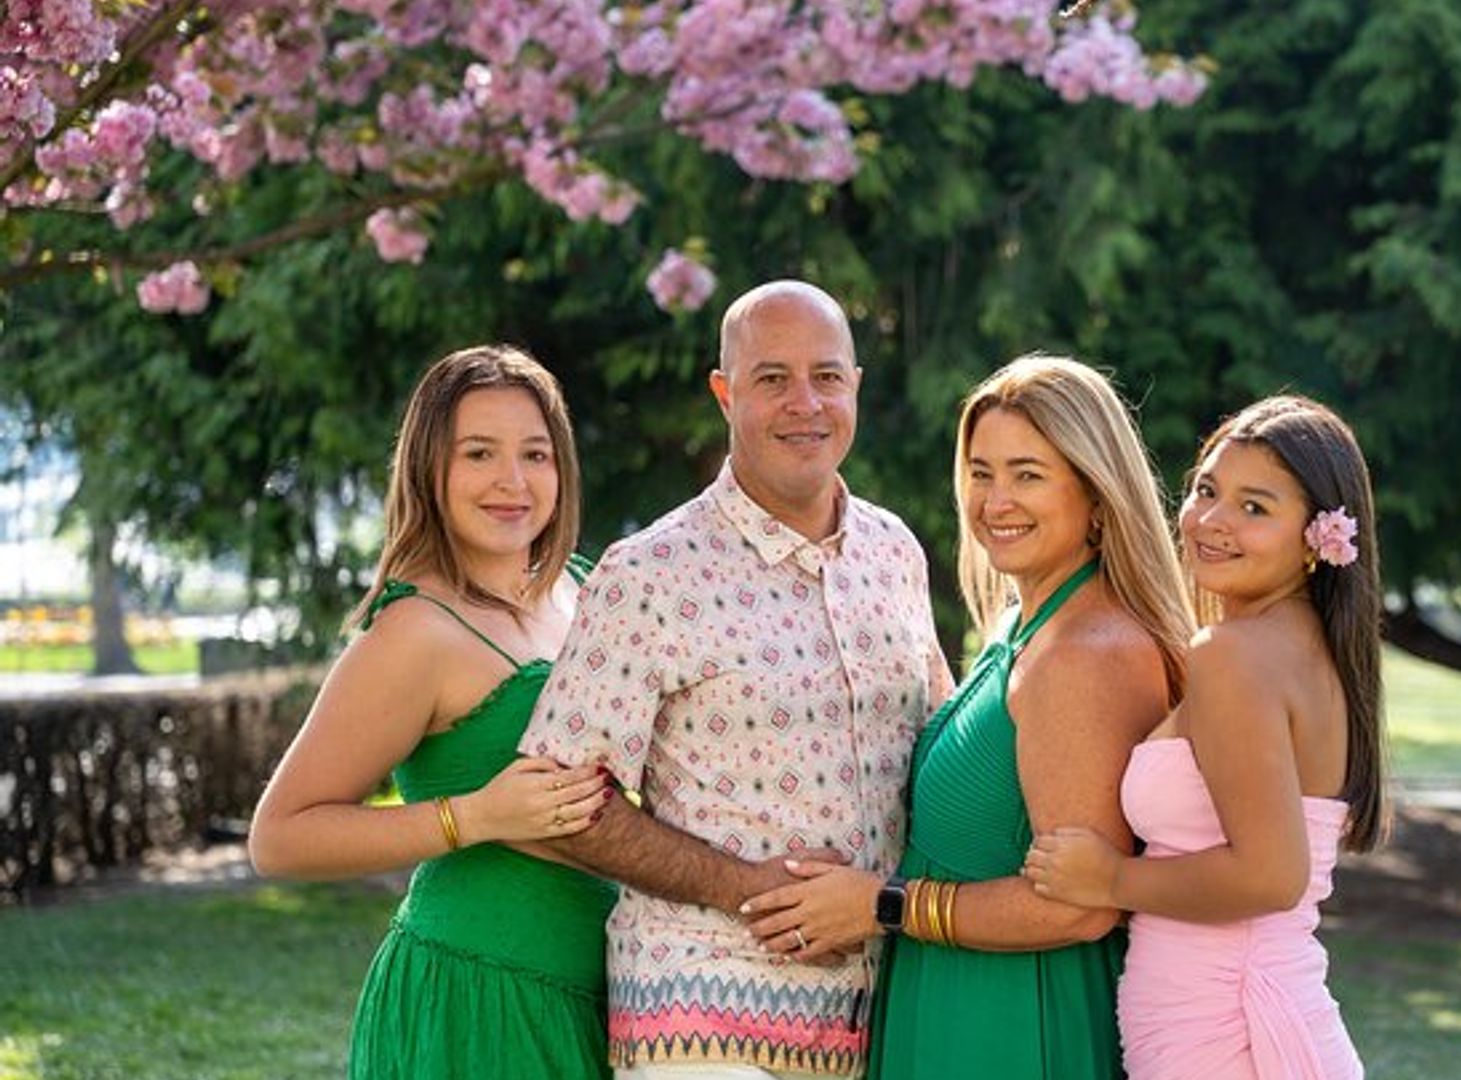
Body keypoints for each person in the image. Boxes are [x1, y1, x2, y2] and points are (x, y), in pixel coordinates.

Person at [516, 280, 952, 1079]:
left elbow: (936, 753)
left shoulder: (896, 552)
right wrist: (746, 887)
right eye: (772, 378)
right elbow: (561, 801)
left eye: (826, 376)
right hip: (705, 1019)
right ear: (725, 393)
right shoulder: (650, 572)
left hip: (882, 1015)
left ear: (856, 384)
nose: (805, 403)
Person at [737, 354, 1195, 1080]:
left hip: (1014, 1020)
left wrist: (882, 907)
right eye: (982, 473)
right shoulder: (1022, 626)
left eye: (1028, 474)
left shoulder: (1087, 652)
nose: (996, 500)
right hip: (955, 996)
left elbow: (1078, 909)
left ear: (1096, 494)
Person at [249, 345, 619, 1079]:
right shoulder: (415, 633)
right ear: (431, 469)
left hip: (612, 995)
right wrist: (475, 818)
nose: (512, 481)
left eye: (536, 454)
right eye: (479, 453)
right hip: (477, 1001)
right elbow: (279, 838)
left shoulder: (588, 591)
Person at [1023, 394, 1388, 1080]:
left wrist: (1110, 879)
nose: (1212, 522)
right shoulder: (1307, 648)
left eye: (1255, 507)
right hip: (1238, 1004)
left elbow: (1270, 876)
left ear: (1317, 536)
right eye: (1206, 490)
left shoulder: (1233, 655)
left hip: (1223, 1022)